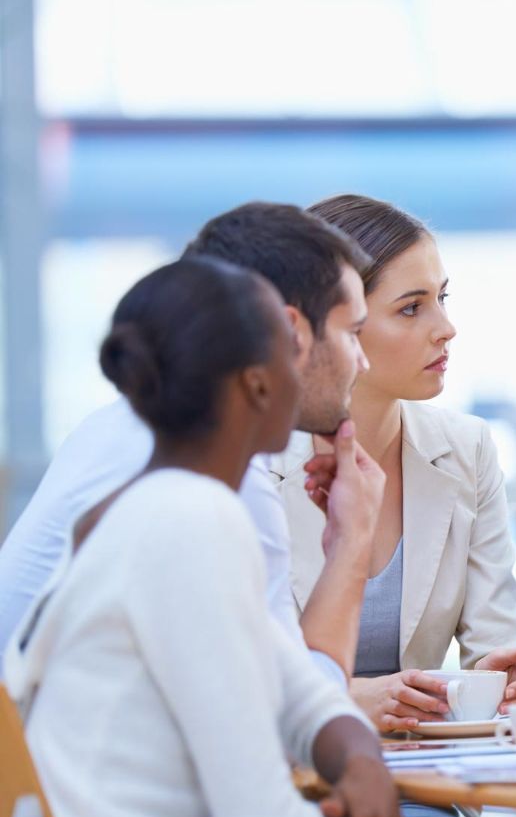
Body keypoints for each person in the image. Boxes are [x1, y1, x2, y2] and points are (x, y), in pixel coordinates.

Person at [0, 257, 516, 817]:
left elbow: (288, 685)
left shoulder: (180, 498)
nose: (351, 357)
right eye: (342, 337)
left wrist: (358, 755)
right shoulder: (194, 520)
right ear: (261, 381)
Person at [0, 202, 384, 684]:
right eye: (353, 334)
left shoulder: (117, 430)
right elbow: (290, 726)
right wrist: (352, 542)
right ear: (291, 333)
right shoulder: (214, 475)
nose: (362, 363)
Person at [261, 194, 516, 734]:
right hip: (290, 782)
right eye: (412, 308)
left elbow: (495, 648)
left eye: (443, 298)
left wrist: (513, 680)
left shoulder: (467, 448)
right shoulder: (252, 463)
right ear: (339, 322)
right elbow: (231, 678)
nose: (446, 327)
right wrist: (346, 699)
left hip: (426, 778)